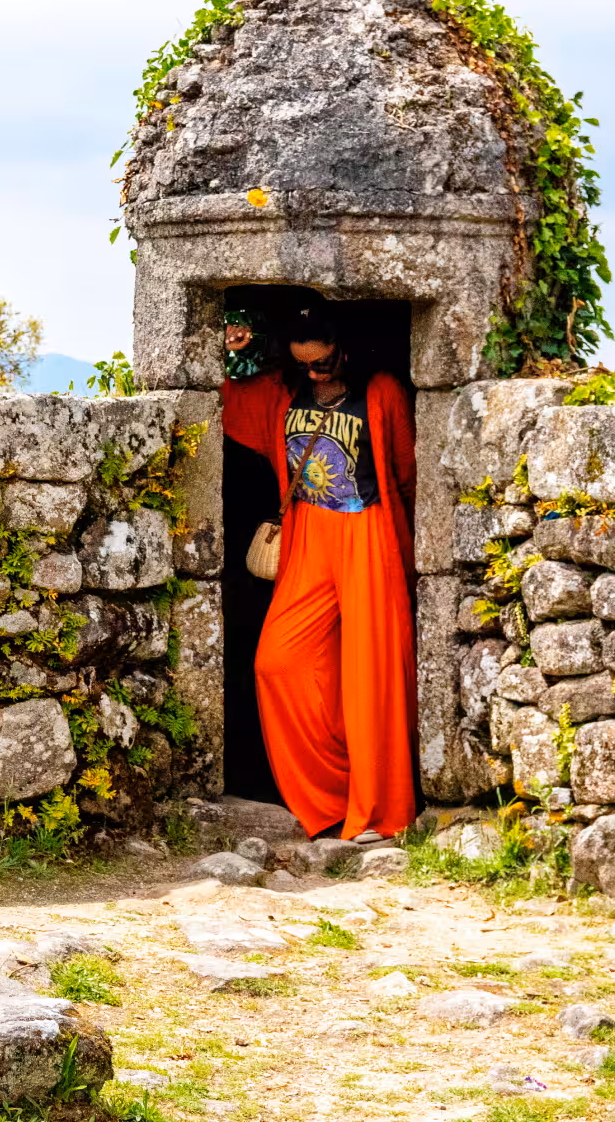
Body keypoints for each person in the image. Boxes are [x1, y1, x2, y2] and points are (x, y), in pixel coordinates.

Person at [222, 304, 418, 841]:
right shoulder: (284, 393)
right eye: (305, 364)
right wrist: (237, 349)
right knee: (278, 662)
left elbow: (405, 472)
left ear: (345, 350)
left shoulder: (379, 392)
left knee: (370, 673)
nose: (315, 373)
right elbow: (229, 396)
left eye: (324, 363)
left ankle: (377, 806)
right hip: (307, 534)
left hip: (367, 532)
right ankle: (333, 794)